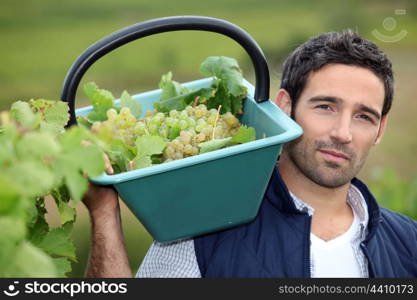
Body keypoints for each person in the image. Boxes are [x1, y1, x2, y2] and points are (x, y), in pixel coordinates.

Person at [82, 30, 417, 278]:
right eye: (326, 107)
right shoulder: (201, 233)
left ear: (380, 129)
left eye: (363, 116)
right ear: (285, 107)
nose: (342, 133)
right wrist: (104, 214)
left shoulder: (409, 242)